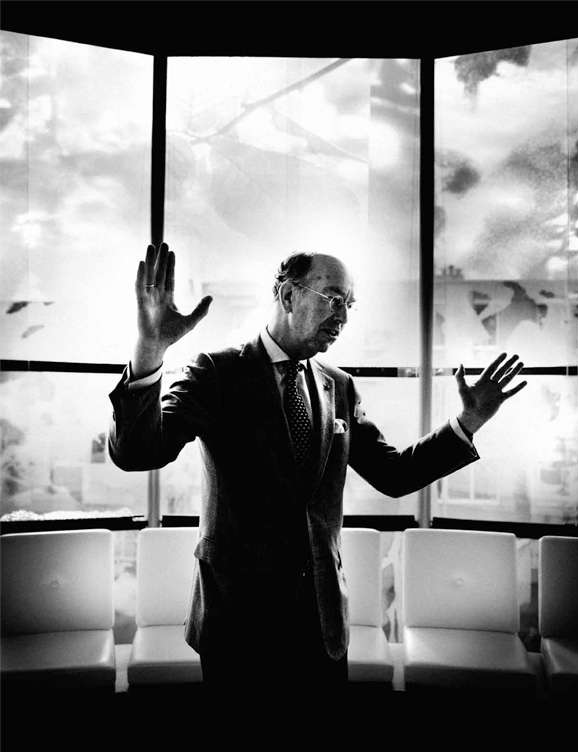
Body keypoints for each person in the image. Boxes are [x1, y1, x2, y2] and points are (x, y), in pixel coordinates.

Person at [108, 242, 527, 695]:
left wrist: (468, 422)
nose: (343, 317)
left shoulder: (339, 386)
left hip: (321, 620)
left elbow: (394, 475)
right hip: (238, 621)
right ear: (288, 295)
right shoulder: (217, 372)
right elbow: (137, 453)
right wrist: (150, 349)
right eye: (333, 299)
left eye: (349, 305)